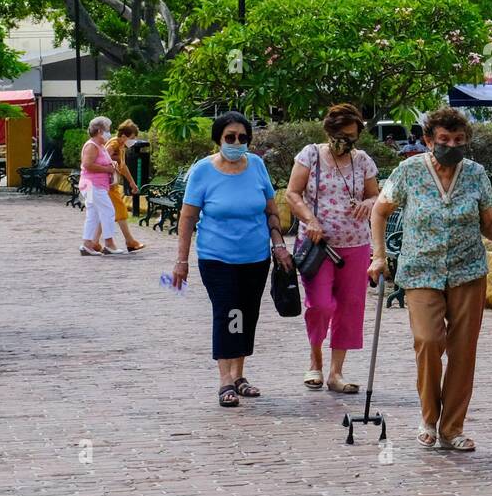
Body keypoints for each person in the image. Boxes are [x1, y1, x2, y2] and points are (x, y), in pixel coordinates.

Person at [370, 108, 492, 452]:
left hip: (467, 270)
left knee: (462, 351)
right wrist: (379, 256)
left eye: (458, 140)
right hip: (420, 269)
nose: (452, 145)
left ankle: (452, 427)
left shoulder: (476, 174)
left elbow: (489, 223)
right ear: (428, 141)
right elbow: (379, 212)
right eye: (444, 140)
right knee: (427, 341)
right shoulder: (408, 171)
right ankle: (429, 416)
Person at [172, 111, 292, 407]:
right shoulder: (202, 171)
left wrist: (278, 245)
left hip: (255, 256)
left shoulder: (257, 166)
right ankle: (225, 380)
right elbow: (188, 218)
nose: (237, 142)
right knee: (228, 312)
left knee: (247, 312)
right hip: (216, 256)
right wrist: (181, 260)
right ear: (218, 139)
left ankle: (240, 375)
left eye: (243, 138)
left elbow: (271, 211)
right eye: (230, 137)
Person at [284, 103, 380, 392]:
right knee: (321, 305)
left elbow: (377, 196)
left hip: (356, 244)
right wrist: (310, 220)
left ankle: (336, 372)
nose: (346, 142)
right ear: (329, 132)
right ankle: (315, 361)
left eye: (352, 137)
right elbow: (292, 192)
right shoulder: (310, 155)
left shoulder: (362, 160)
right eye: (341, 135)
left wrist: (367, 203)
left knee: (351, 307)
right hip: (318, 245)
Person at [92, 119, 145, 253]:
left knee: (104, 213)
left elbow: (123, 167)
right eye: (132, 138)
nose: (133, 141)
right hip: (109, 185)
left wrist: (132, 182)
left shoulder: (120, 146)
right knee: (120, 210)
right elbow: (104, 159)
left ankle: (94, 242)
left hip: (110, 185)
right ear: (123, 136)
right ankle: (129, 241)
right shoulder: (114, 144)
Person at [79, 116, 123, 256]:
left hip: (96, 185)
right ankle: (109, 243)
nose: (109, 133)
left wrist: (111, 165)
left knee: (94, 214)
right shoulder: (92, 146)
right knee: (108, 211)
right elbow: (87, 165)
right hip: (93, 184)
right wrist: (107, 170)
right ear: (99, 131)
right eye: (107, 130)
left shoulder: (100, 146)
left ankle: (87, 244)